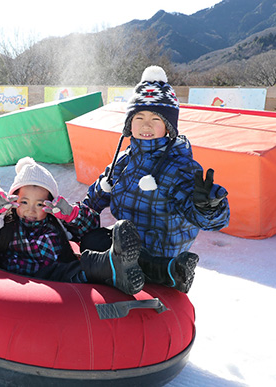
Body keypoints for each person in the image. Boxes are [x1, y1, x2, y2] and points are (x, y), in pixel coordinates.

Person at [83, 65, 230, 293]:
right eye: (139, 117)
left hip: (162, 254)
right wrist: (70, 217)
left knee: (101, 257)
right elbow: (94, 199)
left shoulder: (179, 168)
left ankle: (170, 272)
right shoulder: (123, 161)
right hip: (125, 245)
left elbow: (213, 222)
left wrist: (208, 207)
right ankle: (123, 268)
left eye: (156, 118)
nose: (146, 125)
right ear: (129, 125)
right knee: (90, 242)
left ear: (169, 127)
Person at [0, 157, 145, 295]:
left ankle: (121, 268)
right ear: (13, 200)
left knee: (88, 253)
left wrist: (71, 214)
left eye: (39, 204)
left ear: (49, 204)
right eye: (24, 202)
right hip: (26, 281)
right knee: (70, 270)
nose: (31, 210)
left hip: (63, 276)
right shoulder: (4, 224)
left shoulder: (56, 223)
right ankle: (109, 266)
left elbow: (90, 226)